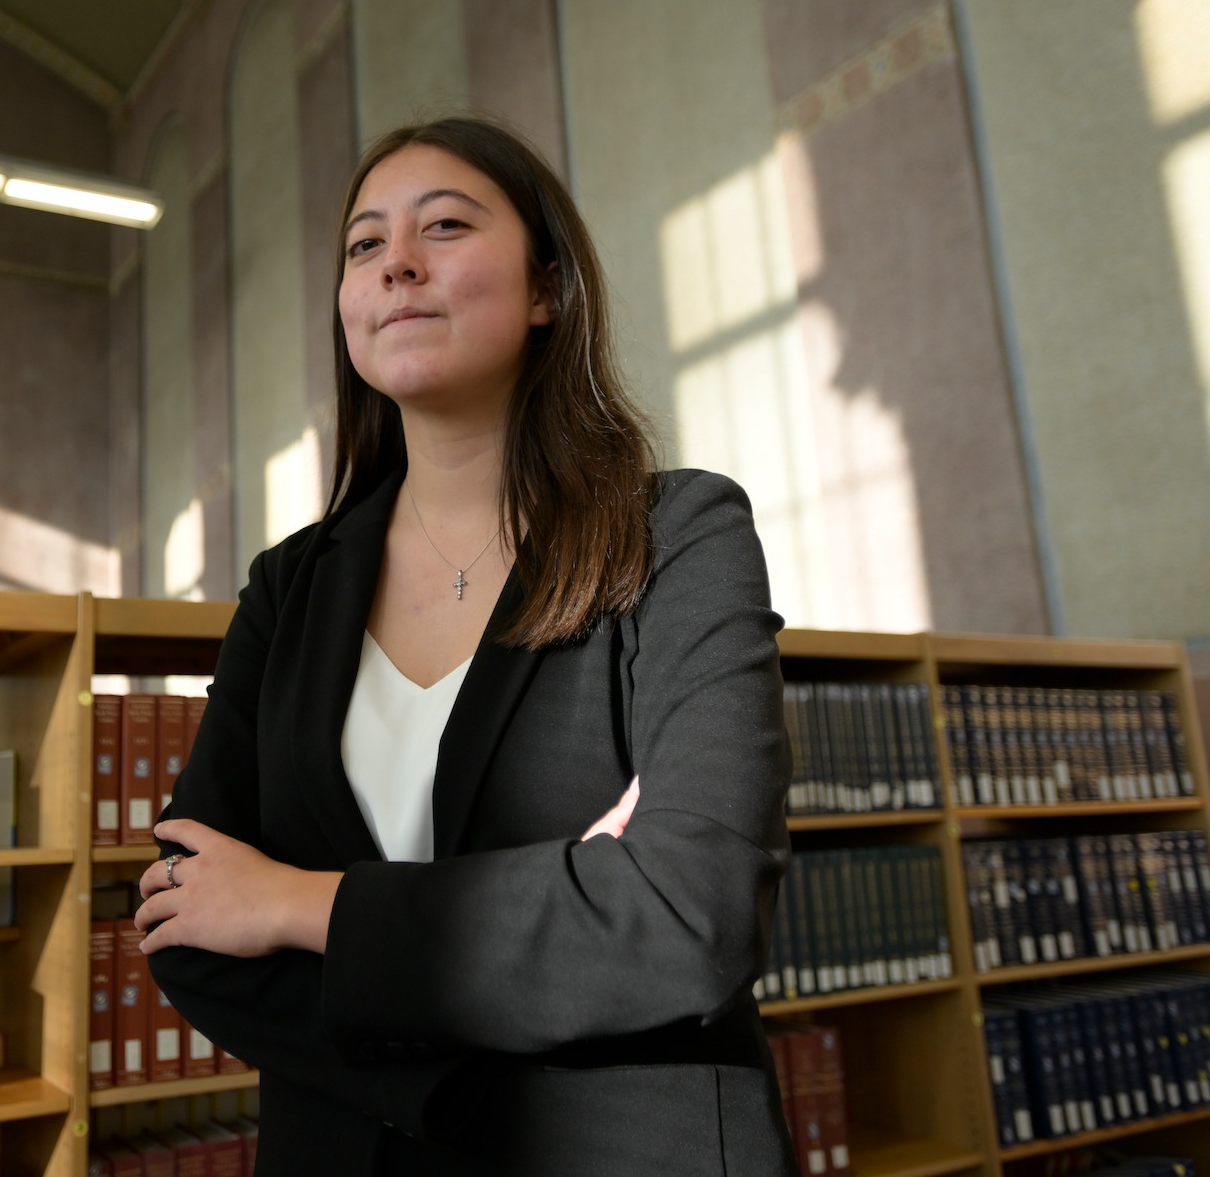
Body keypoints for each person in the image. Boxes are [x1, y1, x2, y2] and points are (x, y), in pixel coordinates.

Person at [134, 117, 795, 1176]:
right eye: (363, 245)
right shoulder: (286, 587)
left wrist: (298, 902)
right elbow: (190, 914)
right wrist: (550, 939)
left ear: (545, 289)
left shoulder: (676, 537)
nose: (395, 261)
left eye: (442, 226)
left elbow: (687, 910)